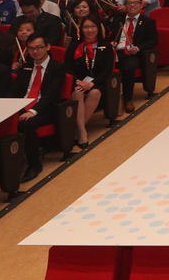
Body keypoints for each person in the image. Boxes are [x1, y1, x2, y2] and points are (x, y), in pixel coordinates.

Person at [9, 33, 66, 174]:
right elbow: (15, 91)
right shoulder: (26, 67)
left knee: (26, 123)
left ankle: (34, 164)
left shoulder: (57, 67)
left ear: (48, 47)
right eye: (31, 48)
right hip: (24, 105)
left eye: (39, 47)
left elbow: (51, 95)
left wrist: (33, 111)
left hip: (45, 109)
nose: (35, 51)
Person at [67, 18, 115, 147]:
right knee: (77, 93)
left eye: (93, 26)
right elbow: (68, 68)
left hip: (98, 82)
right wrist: (78, 81)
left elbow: (107, 70)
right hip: (78, 82)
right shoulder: (74, 46)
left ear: (98, 28)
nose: (90, 30)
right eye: (86, 27)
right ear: (81, 29)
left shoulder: (106, 46)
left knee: (95, 93)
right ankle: (82, 131)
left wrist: (92, 83)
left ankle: (78, 129)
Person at [111, 0, 158, 114]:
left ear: (141, 5)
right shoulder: (118, 20)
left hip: (134, 54)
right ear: (125, 6)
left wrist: (138, 48)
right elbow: (110, 36)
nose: (132, 5)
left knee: (128, 66)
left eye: (136, 2)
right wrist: (112, 42)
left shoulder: (148, 21)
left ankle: (128, 99)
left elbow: (153, 41)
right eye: (129, 3)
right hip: (116, 51)